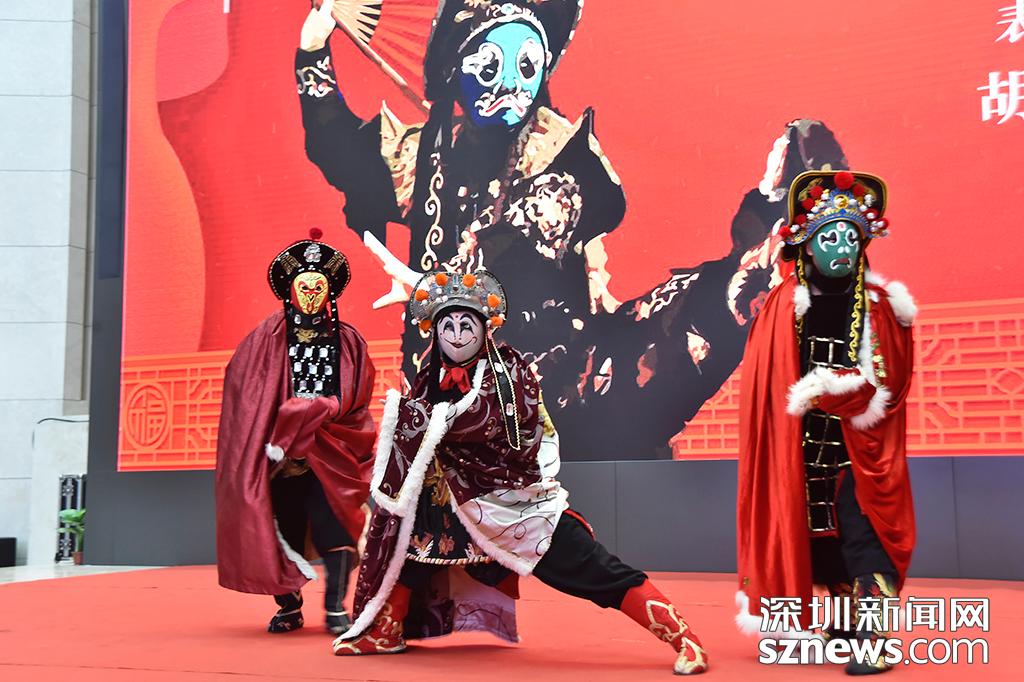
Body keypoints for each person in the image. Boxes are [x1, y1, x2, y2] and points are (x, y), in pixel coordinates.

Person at [331, 269, 708, 675]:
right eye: (447, 326)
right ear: (435, 331)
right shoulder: (429, 372)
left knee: (587, 566)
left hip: (508, 494)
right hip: (449, 493)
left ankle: (683, 637)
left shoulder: (508, 370)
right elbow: (421, 428)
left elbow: (481, 420)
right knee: (410, 540)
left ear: (484, 328)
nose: (456, 336)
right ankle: (386, 630)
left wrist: (415, 417)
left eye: (466, 325)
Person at [736, 171, 917, 674]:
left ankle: (876, 638)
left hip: (859, 450)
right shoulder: (782, 305)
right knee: (819, 541)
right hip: (799, 449)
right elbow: (767, 386)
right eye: (830, 238)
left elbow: (891, 381)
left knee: (863, 535)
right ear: (807, 245)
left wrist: (835, 390)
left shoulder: (882, 307)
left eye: (851, 239)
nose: (842, 248)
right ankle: (843, 622)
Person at [215, 229, 377, 635]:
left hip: (331, 449)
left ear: (330, 291)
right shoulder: (264, 340)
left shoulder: (347, 340)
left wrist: (324, 410)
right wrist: (277, 429)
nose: (311, 294)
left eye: (319, 286)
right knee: (280, 529)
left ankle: (336, 606)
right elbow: (245, 391)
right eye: (304, 286)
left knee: (335, 526)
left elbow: (357, 390)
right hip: (281, 453)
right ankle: (289, 605)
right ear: (290, 289)